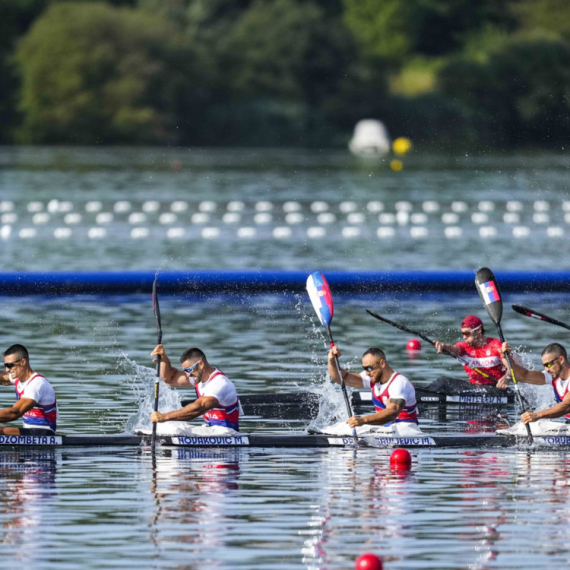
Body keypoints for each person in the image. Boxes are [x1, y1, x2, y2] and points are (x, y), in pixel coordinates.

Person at [150, 345, 240, 430]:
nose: (188, 374)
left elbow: (199, 408)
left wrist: (165, 417)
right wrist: (163, 360)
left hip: (228, 433)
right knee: (170, 428)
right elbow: (169, 379)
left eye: (189, 370)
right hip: (211, 430)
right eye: (185, 371)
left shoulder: (219, 383)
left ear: (200, 364)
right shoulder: (197, 377)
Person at [328, 346, 418, 428]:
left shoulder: (399, 383)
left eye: (369, 368)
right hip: (385, 430)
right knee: (342, 427)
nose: (367, 372)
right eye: (365, 369)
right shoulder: (372, 378)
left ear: (382, 363)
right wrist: (332, 361)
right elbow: (342, 379)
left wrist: (363, 420)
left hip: (406, 430)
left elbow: (392, 412)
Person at [500, 342, 570, 424]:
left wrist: (538, 415)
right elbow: (523, 376)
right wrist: (506, 357)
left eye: (549, 364)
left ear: (561, 359)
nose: (546, 369)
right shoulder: (553, 376)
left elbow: (566, 406)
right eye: (544, 365)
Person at [434, 315, 508, 388]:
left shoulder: (496, 345)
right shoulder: (464, 347)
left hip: (496, 389)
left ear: (479, 330)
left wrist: (506, 378)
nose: (464, 337)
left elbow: (512, 369)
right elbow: (454, 349)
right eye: (462, 334)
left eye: (467, 333)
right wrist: (444, 346)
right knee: (444, 381)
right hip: (475, 389)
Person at [0, 344, 58, 435]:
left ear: (22, 362)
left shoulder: (37, 384)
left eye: (10, 365)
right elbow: (2, 378)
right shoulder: (18, 378)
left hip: (44, 434)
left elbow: (14, 413)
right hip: (29, 433)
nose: (7, 369)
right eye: (6, 365)